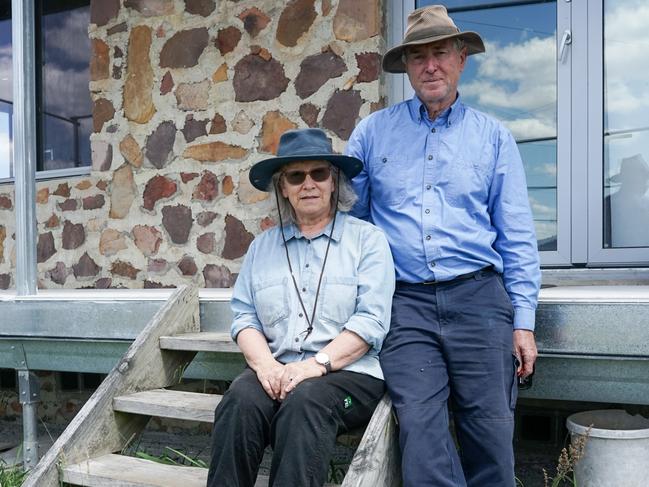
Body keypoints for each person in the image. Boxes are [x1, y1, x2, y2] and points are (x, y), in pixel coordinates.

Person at [345, 5, 541, 487]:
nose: (430, 65)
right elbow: (353, 225)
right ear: (407, 68)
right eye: (418, 57)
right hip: (405, 303)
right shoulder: (372, 133)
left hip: (479, 300)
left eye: (440, 53)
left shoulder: (493, 136)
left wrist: (523, 321)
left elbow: (516, 233)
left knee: (490, 434)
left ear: (461, 60)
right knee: (420, 430)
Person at [207, 128, 395, 487]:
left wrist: (315, 365)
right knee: (239, 401)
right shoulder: (262, 248)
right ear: (283, 188)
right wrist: (265, 366)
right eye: (296, 175)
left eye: (319, 173)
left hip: (348, 375)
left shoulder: (367, 241)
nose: (308, 184)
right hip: (278, 369)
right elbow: (244, 318)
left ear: (334, 182)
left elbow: (371, 321)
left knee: (305, 402)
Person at [604, 153, 649, 247]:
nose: (646, 183)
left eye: (646, 177)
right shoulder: (609, 204)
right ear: (629, 179)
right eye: (643, 177)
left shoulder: (646, 204)